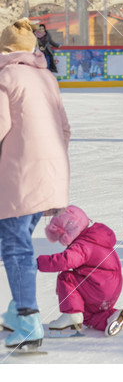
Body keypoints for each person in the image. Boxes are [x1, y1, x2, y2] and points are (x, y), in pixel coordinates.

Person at [0, 18, 70, 350]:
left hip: (18, 174)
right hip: (50, 172)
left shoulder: (5, 77)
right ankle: (17, 311)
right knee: (20, 242)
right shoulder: (47, 78)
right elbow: (65, 129)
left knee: (15, 248)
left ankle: (28, 319)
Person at [37, 205, 123, 336]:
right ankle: (111, 318)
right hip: (110, 287)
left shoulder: (82, 245)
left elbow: (64, 261)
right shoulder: (94, 237)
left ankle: (71, 315)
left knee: (66, 278)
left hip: (98, 286)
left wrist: (36, 262)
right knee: (86, 315)